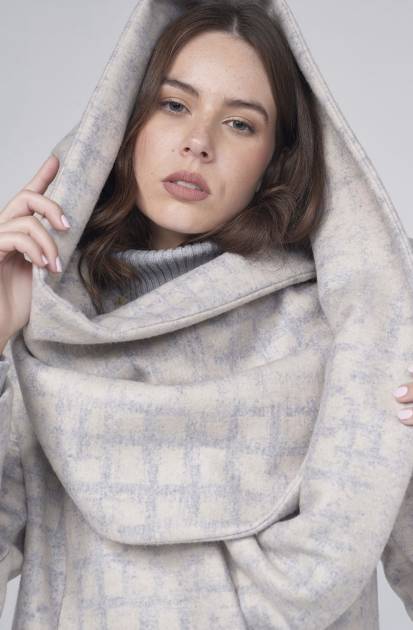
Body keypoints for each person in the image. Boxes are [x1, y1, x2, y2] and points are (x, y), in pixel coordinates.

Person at [1, 1, 413, 628]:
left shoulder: (351, 340)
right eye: (174, 105)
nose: (198, 141)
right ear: (126, 123)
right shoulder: (46, 334)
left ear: (275, 160)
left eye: (240, 124)